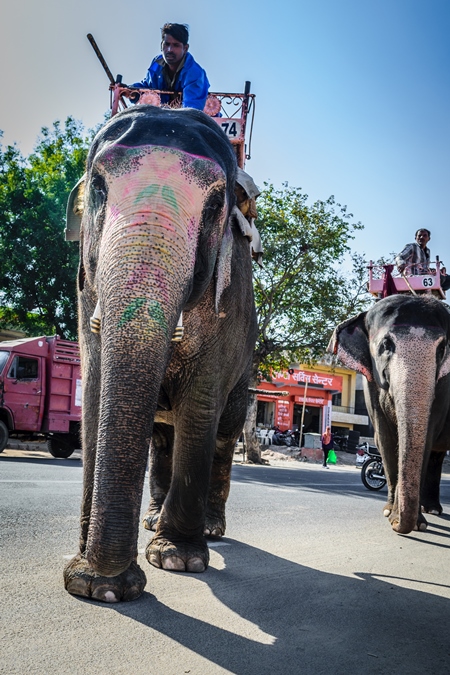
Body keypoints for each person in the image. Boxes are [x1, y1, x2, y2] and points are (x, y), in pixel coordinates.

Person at [130, 23, 209, 110]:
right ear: (161, 45)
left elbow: (192, 109)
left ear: (185, 48)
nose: (169, 50)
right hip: (164, 117)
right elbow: (148, 86)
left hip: (190, 120)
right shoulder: (157, 64)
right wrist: (131, 90)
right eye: (167, 44)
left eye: (176, 45)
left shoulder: (194, 73)